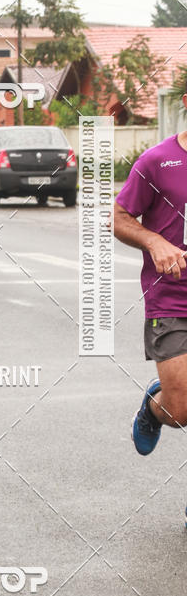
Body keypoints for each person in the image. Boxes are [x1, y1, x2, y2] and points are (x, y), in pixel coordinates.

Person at [114, 91, 187, 483]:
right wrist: (155, 241)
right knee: (181, 409)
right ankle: (155, 407)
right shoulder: (158, 161)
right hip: (173, 298)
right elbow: (119, 217)